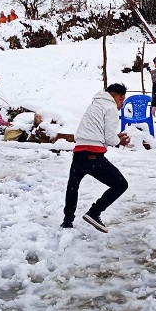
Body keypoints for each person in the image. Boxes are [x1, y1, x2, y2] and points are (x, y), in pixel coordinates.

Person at [62, 83, 131, 232]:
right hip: (94, 157)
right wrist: (120, 140)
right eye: (122, 100)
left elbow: (97, 133)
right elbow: (111, 139)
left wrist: (113, 138)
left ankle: (67, 221)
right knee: (121, 184)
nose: (121, 105)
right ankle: (95, 212)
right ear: (117, 97)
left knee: (73, 187)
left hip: (79, 153)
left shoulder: (94, 105)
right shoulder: (110, 108)